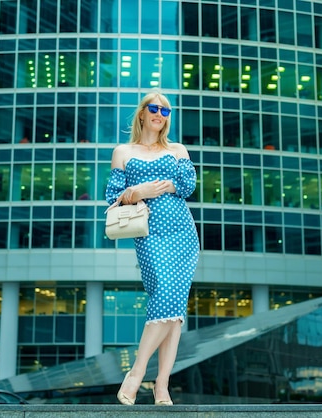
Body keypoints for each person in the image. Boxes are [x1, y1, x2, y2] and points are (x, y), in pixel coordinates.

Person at [105, 91, 200, 405]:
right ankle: (137, 373)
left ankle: (161, 385)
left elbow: (188, 185)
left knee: (173, 308)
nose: (161, 114)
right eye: (155, 108)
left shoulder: (177, 149)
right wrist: (137, 191)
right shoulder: (123, 151)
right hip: (149, 232)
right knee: (165, 298)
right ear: (142, 113)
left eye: (166, 110)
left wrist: (165, 185)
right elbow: (113, 197)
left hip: (182, 232)